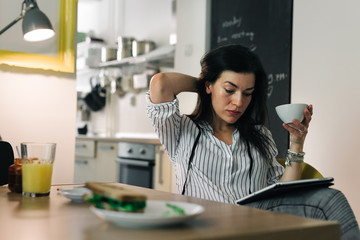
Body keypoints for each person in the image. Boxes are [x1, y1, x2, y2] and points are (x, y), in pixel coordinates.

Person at [146, 44, 359, 239]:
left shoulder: (260, 136)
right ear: (209, 85)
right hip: (206, 230)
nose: (238, 102)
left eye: (247, 93)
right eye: (229, 90)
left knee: (330, 198)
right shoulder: (181, 131)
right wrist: (204, 83)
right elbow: (161, 83)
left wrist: (296, 142)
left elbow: (285, 195)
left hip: (255, 227)